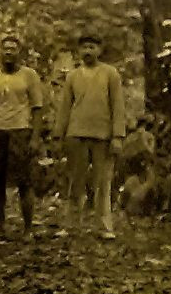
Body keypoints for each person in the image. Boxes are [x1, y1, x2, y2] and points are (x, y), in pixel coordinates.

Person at [54, 33, 126, 239]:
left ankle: (104, 226)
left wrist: (118, 136)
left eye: (92, 47)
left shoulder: (110, 74)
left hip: (102, 135)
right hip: (76, 133)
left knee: (103, 182)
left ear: (100, 50)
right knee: (75, 181)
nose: (88, 51)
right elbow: (65, 107)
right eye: (84, 47)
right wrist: (58, 135)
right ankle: (71, 224)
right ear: (79, 51)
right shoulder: (72, 76)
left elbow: (118, 106)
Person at [0, 35, 45, 240]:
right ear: (0, 52)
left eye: (13, 49)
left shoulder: (29, 76)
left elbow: (37, 108)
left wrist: (34, 137)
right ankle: (1, 227)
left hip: (21, 130)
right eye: (5, 49)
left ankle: (28, 228)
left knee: (25, 182)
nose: (8, 52)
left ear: (19, 52)